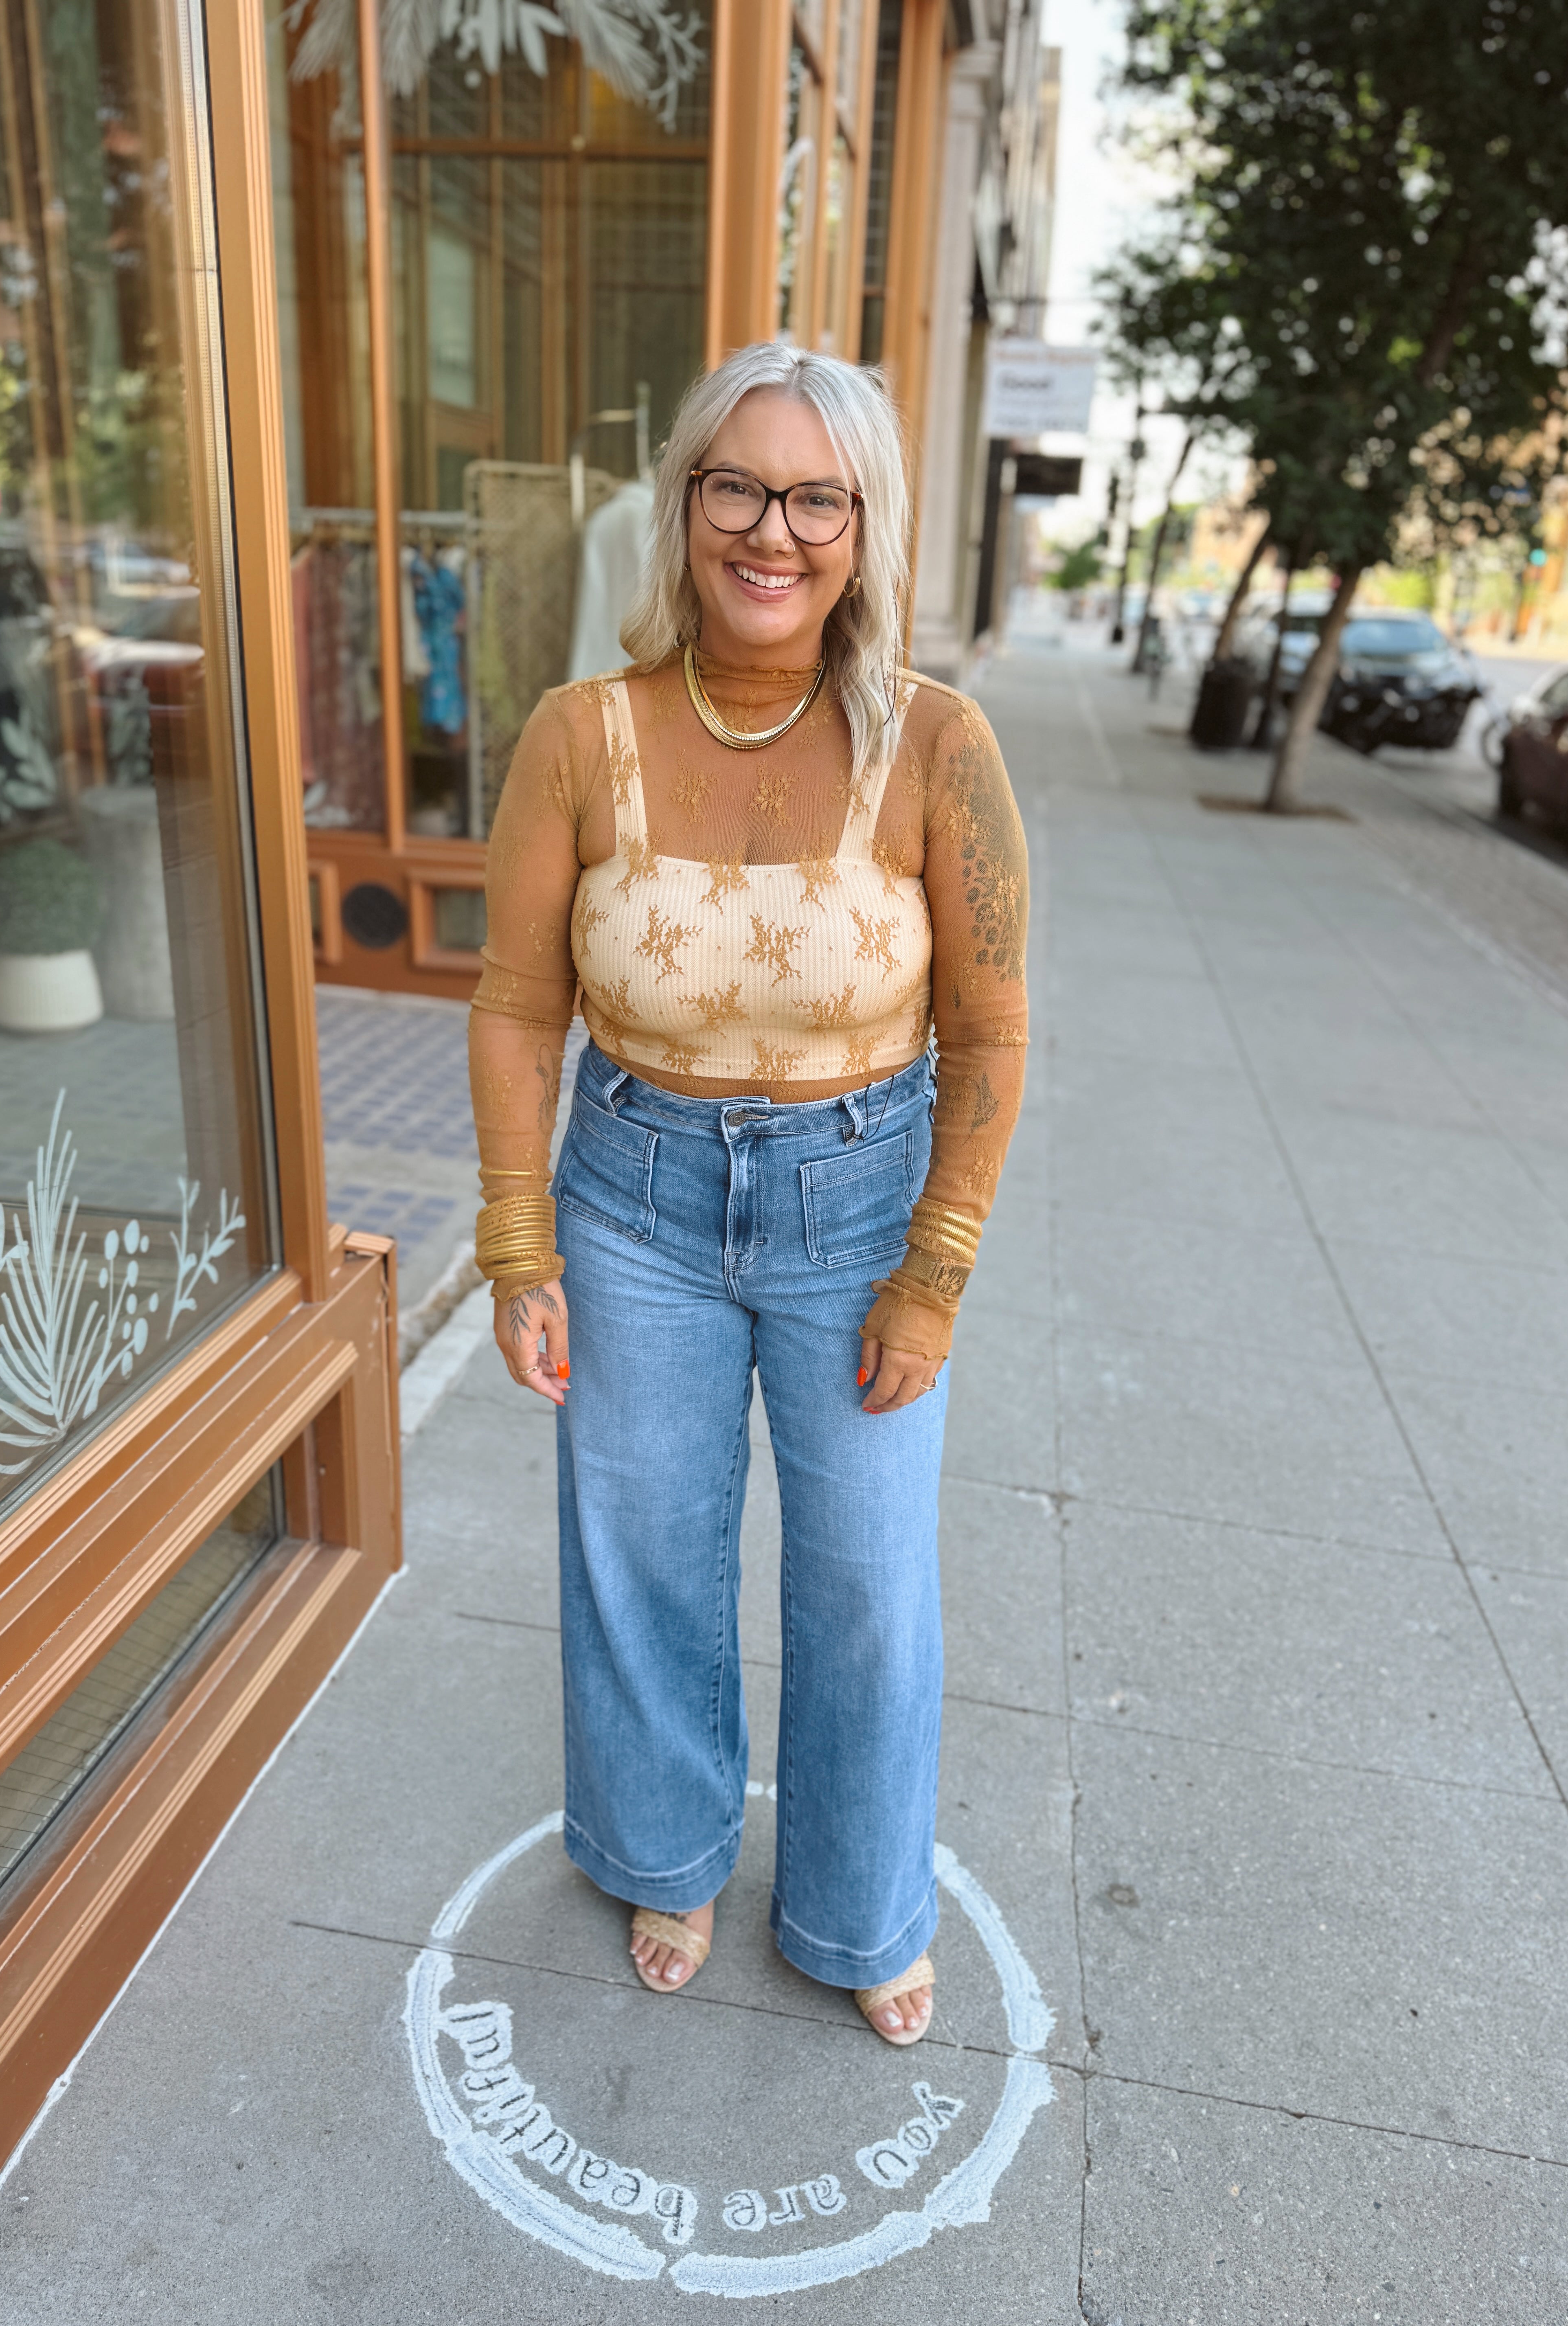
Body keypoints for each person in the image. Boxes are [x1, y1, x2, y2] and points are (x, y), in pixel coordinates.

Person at [467, 341, 1029, 2046]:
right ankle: (666, 1846)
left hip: (860, 1207)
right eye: (737, 486)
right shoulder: (581, 736)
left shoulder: (939, 745)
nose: (770, 531)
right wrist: (516, 1242)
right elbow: (513, 1004)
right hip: (632, 1199)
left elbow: (992, 1032)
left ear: (864, 527)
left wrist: (934, 1269)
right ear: (685, 504)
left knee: (867, 1580)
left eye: (815, 497)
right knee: (643, 1552)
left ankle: (864, 1910)